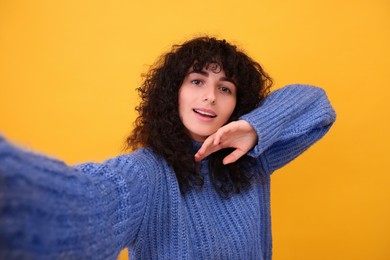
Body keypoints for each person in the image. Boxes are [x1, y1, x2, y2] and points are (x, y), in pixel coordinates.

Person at [0, 36, 336, 259]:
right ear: (173, 92)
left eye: (225, 88)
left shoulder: (250, 160)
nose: (209, 96)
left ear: (238, 103)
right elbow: (87, 203)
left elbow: (318, 107)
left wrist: (255, 127)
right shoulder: (147, 174)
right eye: (197, 81)